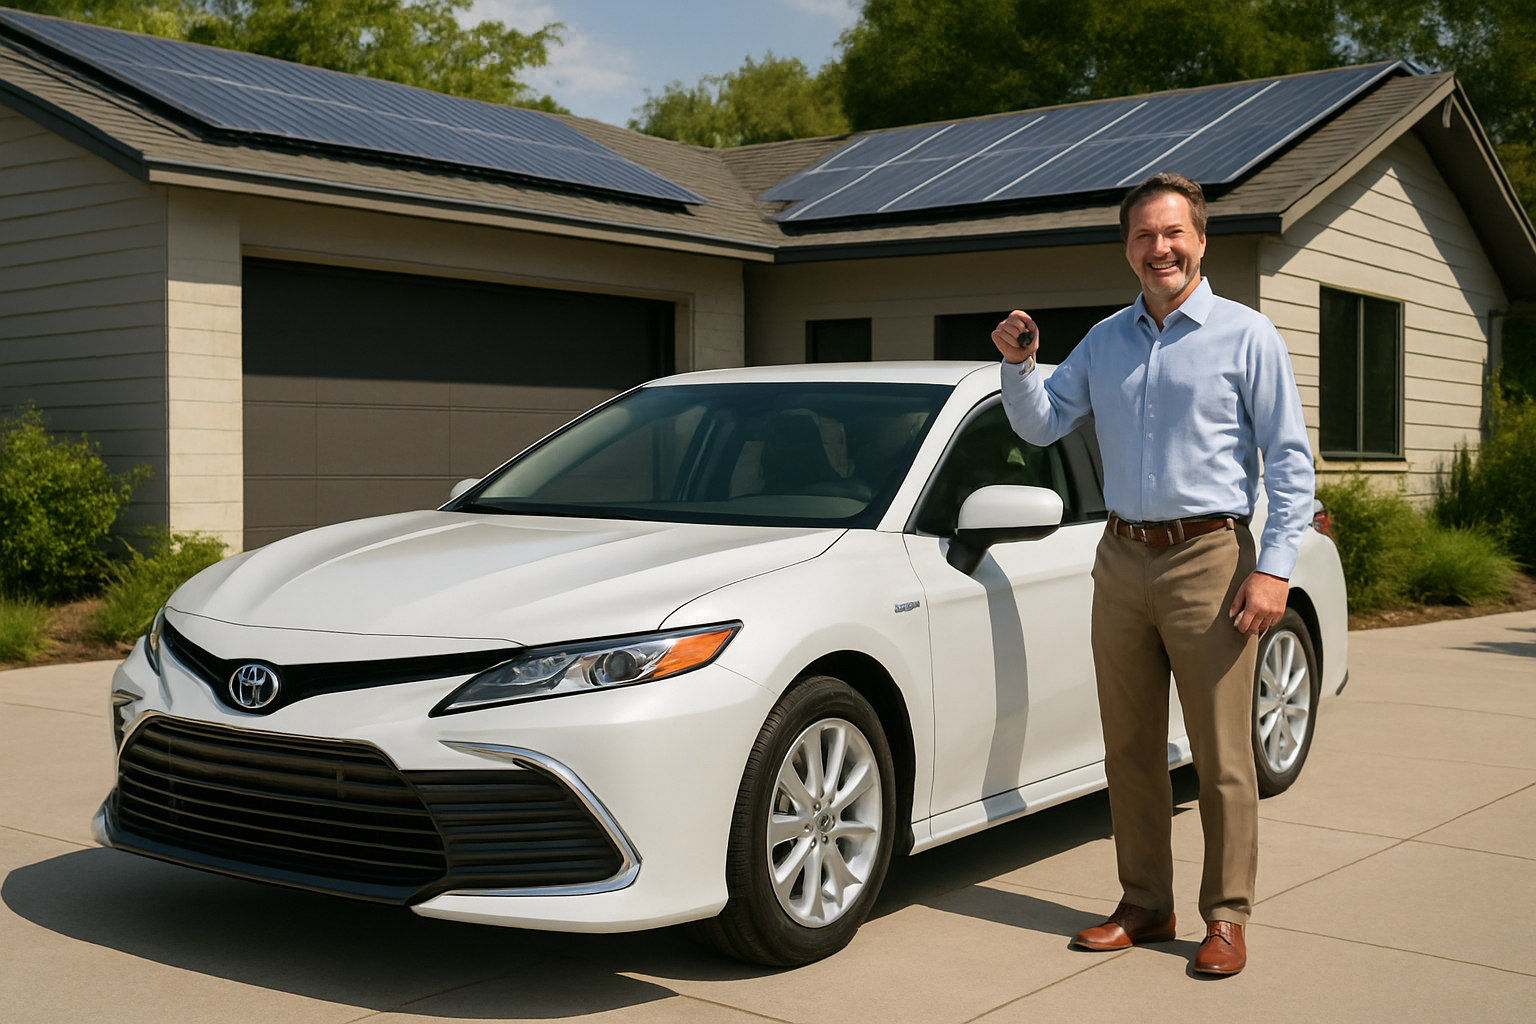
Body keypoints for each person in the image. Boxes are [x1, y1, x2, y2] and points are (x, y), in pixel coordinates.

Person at [991, 172, 1313, 976]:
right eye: (1143, 236)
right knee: (1128, 747)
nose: (1159, 248)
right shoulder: (1105, 341)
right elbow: (1041, 425)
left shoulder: (1248, 337)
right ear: (1127, 247)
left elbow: (1292, 466)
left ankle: (1227, 917)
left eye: (1173, 234)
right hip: (1122, 557)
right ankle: (1144, 901)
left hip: (1212, 556)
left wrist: (1273, 570)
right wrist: (1021, 366)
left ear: (1200, 241)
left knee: (1220, 753)